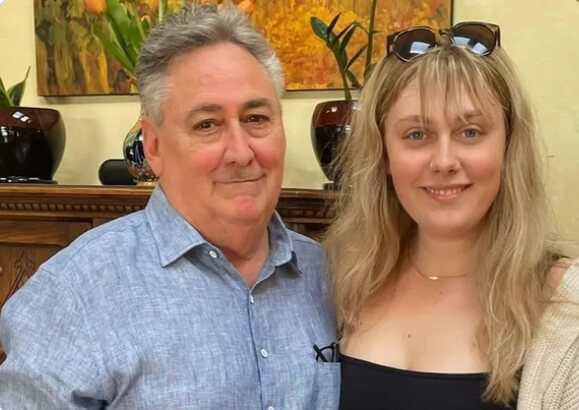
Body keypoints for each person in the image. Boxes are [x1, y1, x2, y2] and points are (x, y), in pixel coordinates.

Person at [0, 5, 339, 409]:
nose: (240, 152)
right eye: (206, 124)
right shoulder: (76, 292)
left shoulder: (329, 276)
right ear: (154, 145)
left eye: (256, 118)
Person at [324, 21, 579, 409]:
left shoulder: (573, 312)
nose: (444, 161)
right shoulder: (342, 280)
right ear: (384, 153)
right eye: (417, 134)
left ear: (508, 144)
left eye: (470, 132)